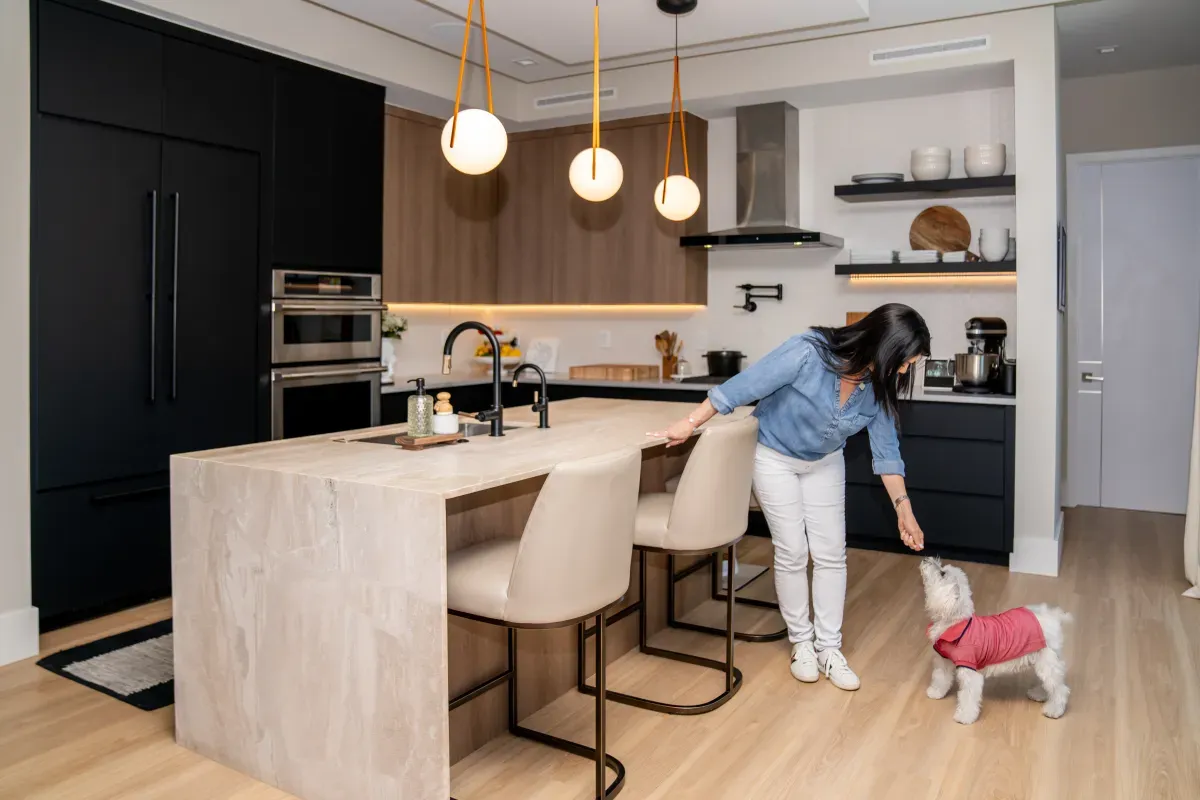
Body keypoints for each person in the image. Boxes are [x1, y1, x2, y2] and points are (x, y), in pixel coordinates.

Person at [650, 303, 931, 691]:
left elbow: (886, 452)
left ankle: (829, 648)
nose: (903, 372)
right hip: (773, 456)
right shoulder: (807, 352)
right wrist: (690, 421)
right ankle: (801, 643)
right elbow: (743, 387)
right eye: (903, 362)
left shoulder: (877, 386)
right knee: (793, 550)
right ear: (885, 348)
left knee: (832, 553)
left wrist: (905, 509)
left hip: (824, 462)